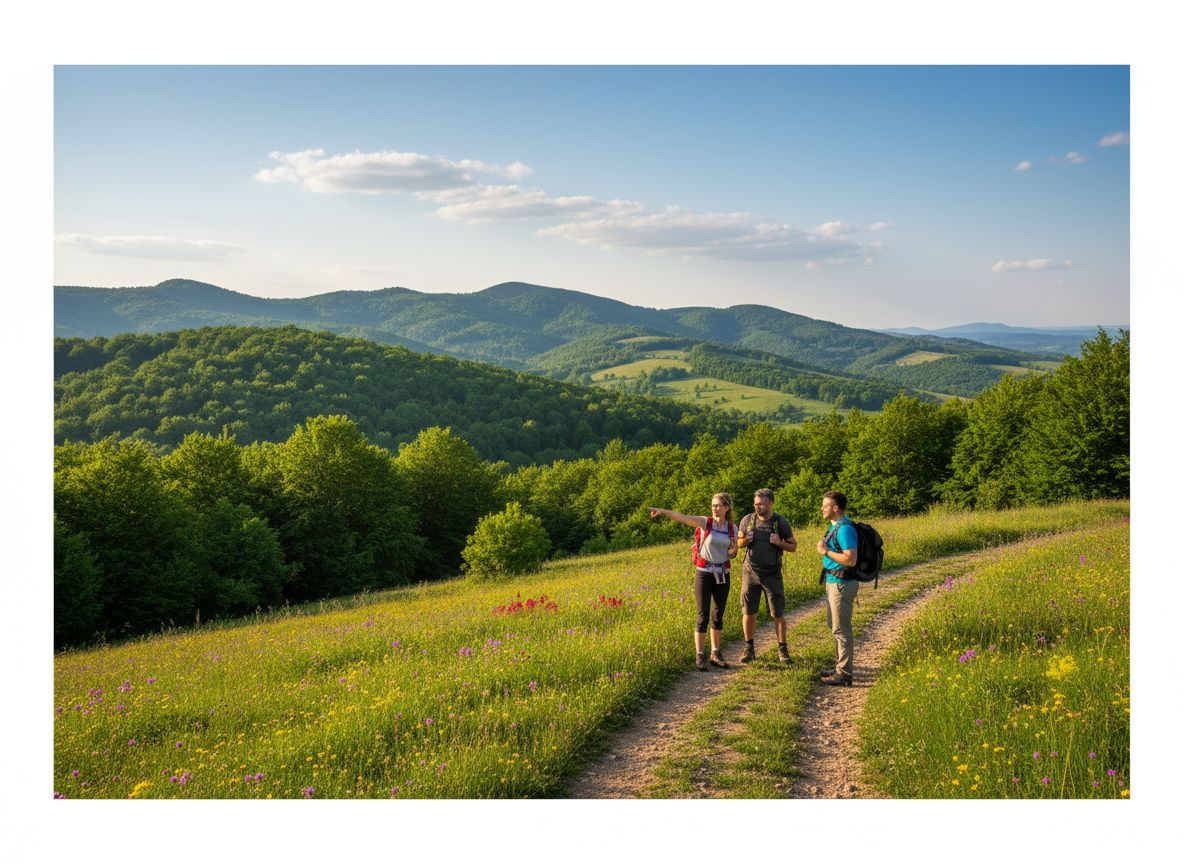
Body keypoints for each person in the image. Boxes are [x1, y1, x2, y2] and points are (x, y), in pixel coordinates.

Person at [649, 494, 738, 671]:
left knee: (718, 614)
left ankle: (715, 652)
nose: (715, 508)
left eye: (719, 505)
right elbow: (684, 518)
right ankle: (700, 655)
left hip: (723, 573)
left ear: (727, 508)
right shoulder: (706, 522)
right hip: (704, 573)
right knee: (703, 614)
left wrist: (734, 551)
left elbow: (732, 554)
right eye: (713, 505)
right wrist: (663, 511)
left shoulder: (732, 528)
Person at [736, 488, 796, 664]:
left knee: (777, 613)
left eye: (761, 503)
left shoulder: (780, 522)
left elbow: (793, 546)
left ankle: (782, 649)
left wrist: (780, 543)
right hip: (750, 572)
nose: (758, 507)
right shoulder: (747, 520)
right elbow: (739, 542)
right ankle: (749, 648)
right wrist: (744, 540)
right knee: (748, 611)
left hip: (772, 574)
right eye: (756, 504)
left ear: (771, 503)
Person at [816, 490, 858, 686]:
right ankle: (839, 668)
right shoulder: (835, 526)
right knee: (835, 626)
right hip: (834, 582)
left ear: (835, 508)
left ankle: (844, 674)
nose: (822, 509)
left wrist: (826, 552)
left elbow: (850, 559)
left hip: (841, 584)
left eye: (825, 505)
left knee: (841, 629)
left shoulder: (844, 529)